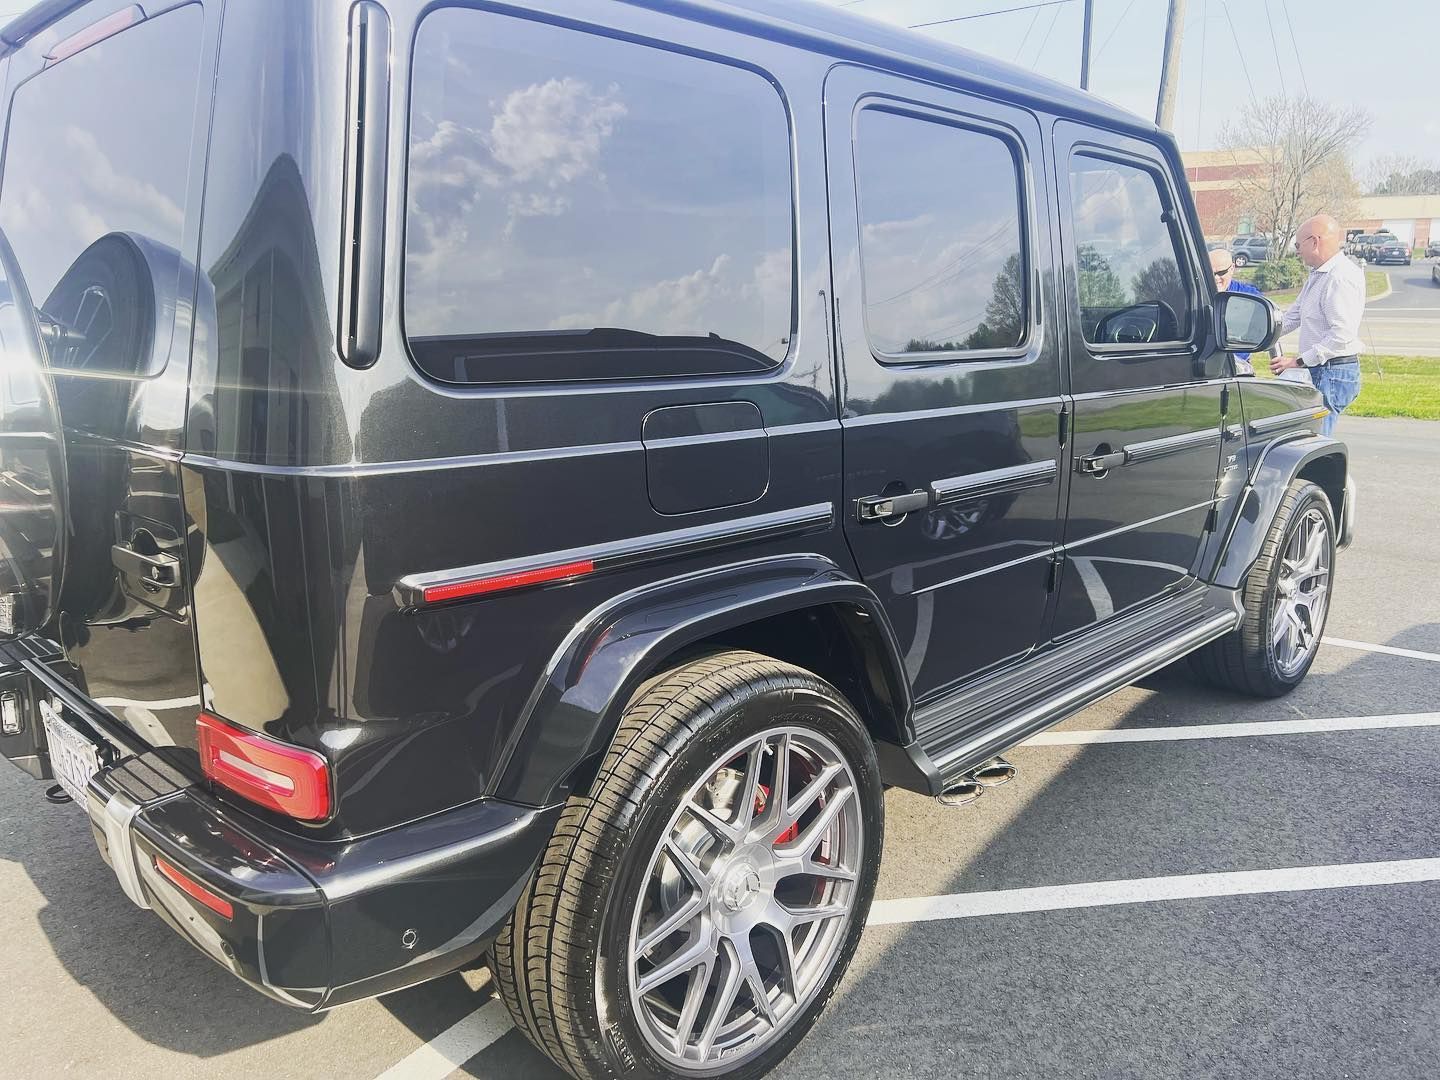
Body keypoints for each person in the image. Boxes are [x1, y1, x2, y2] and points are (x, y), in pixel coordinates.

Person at [1269, 214, 1364, 435]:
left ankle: (1330, 471)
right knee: (1310, 436)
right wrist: (1259, 333)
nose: (1297, 250)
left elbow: (1341, 336)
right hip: (1323, 370)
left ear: (1314, 241)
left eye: (1298, 244)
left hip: (1333, 372)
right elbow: (1293, 316)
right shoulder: (1319, 275)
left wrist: (1298, 361)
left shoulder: (1340, 277)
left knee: (1316, 439)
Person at [1209, 247, 1263, 375]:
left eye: (1221, 273)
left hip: (1238, 366)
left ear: (1232, 268)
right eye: (1211, 273)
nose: (1216, 278)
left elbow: (1263, 328)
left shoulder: (1249, 296)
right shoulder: (1197, 295)